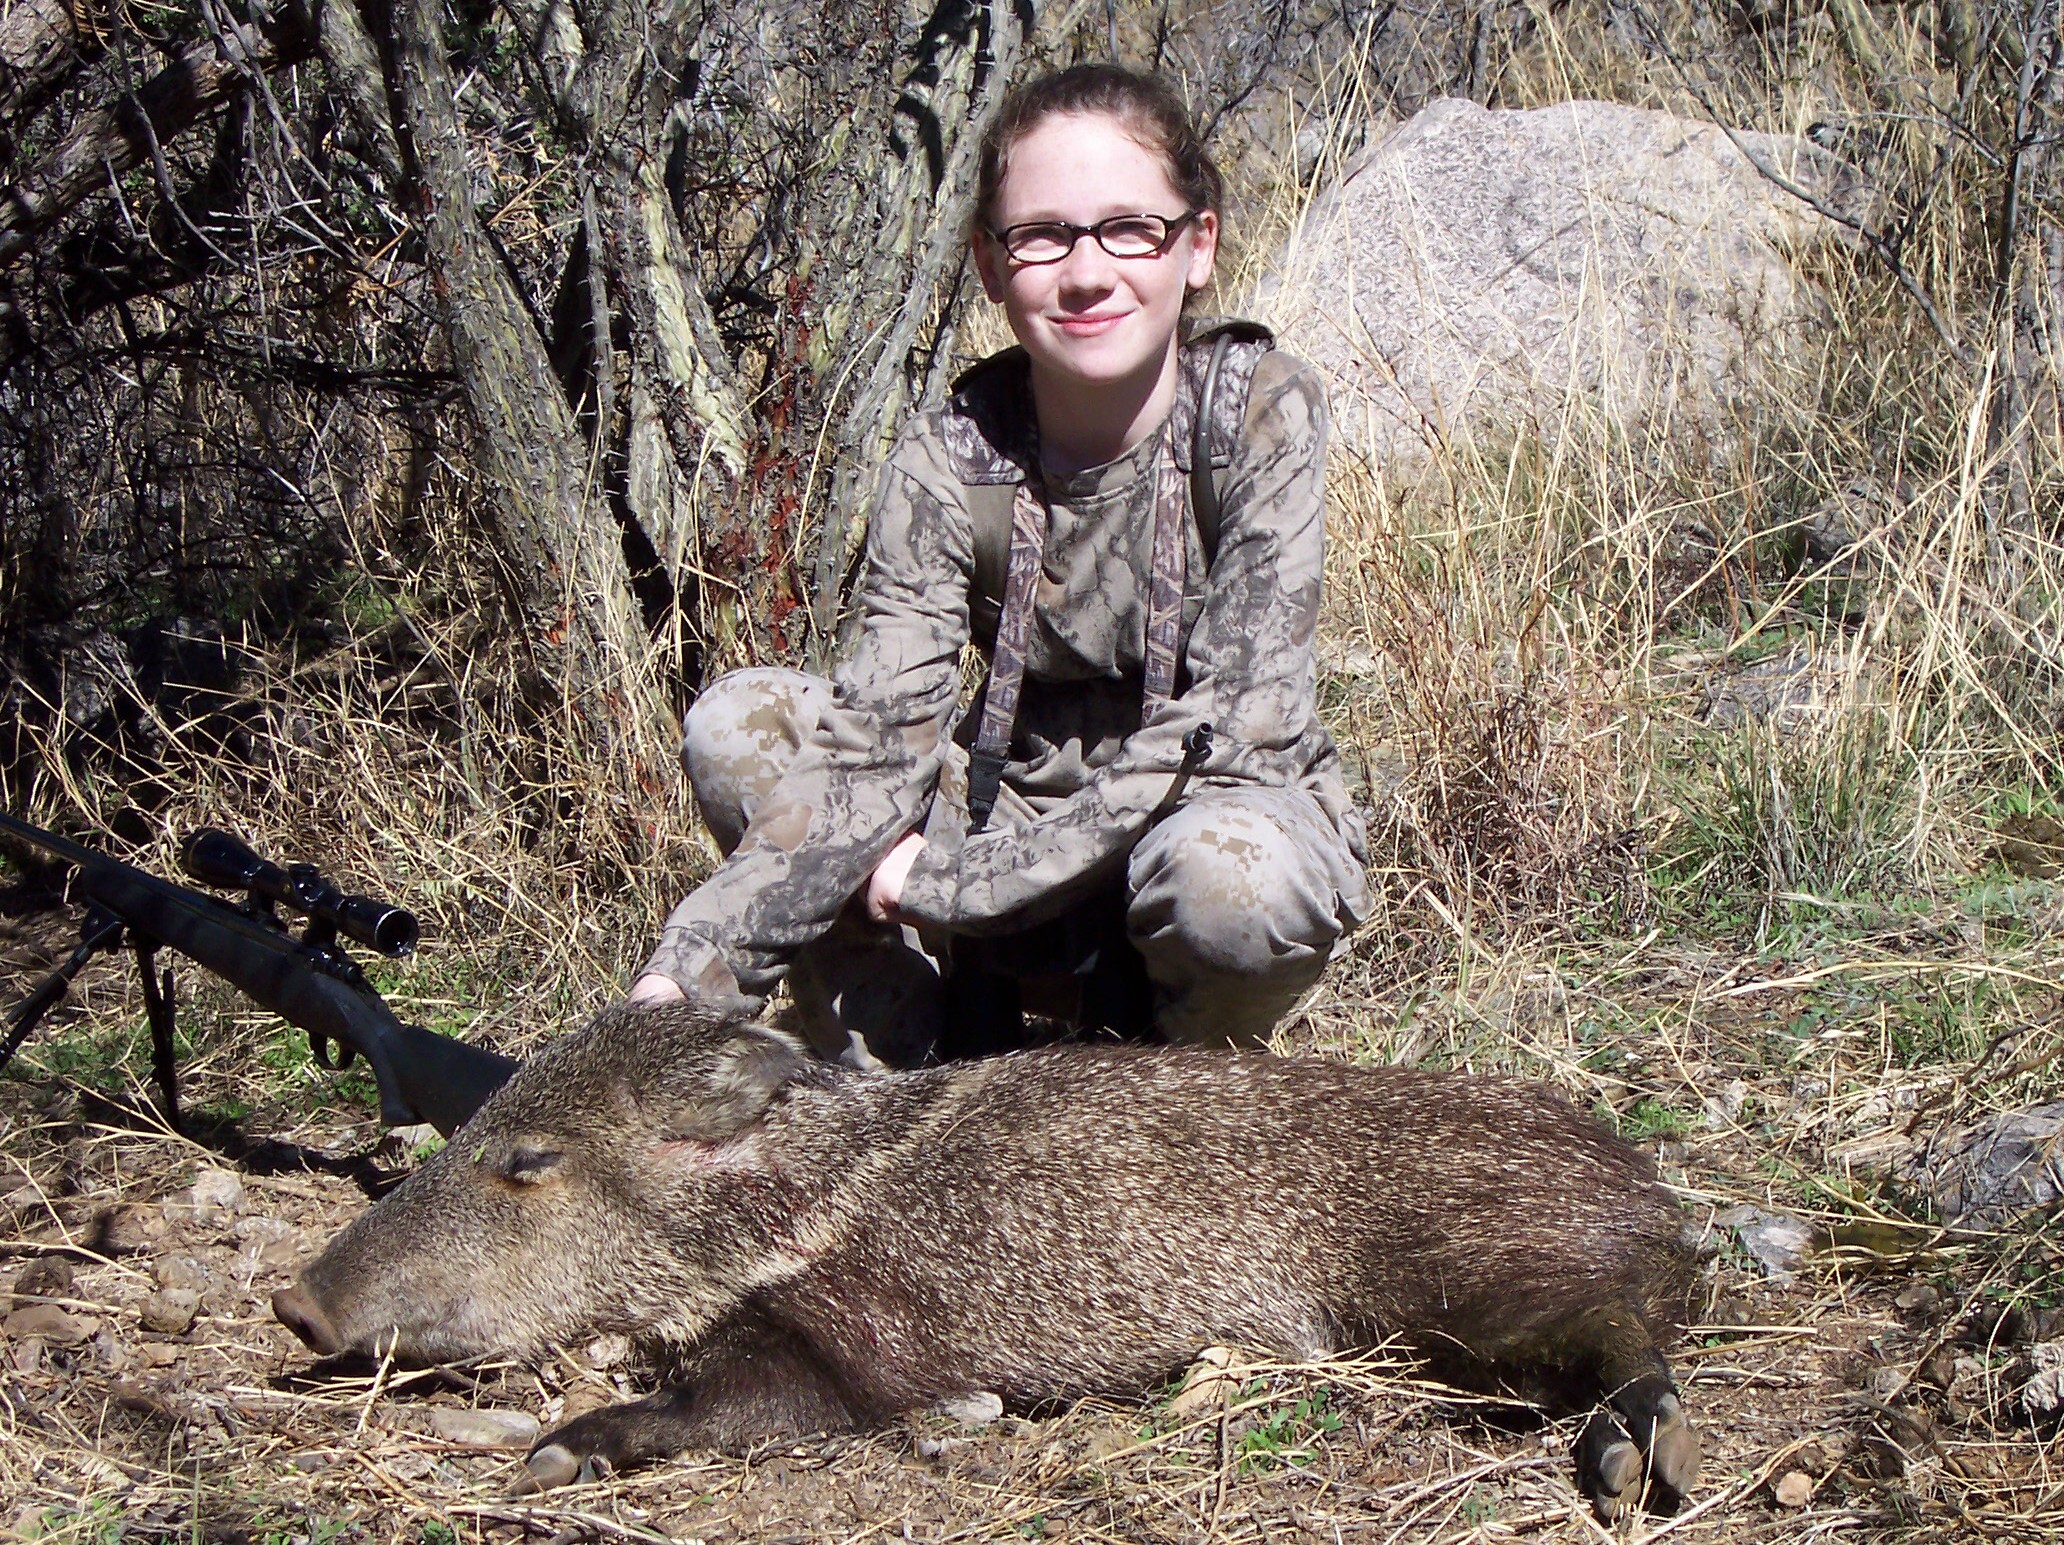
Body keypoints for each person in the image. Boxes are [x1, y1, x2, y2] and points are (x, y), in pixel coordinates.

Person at [628, 63, 1368, 1067]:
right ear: (989, 263)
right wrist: (685, 977)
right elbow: (877, 745)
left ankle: (1175, 1093)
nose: (1087, 272)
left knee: (1234, 877)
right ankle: (901, 1085)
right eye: (1042, 235)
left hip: (1190, 824)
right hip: (1001, 811)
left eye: (1129, 229)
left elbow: (1237, 730)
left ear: (1198, 245)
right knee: (739, 727)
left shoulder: (1262, 412)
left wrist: (952, 887)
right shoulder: (947, 458)